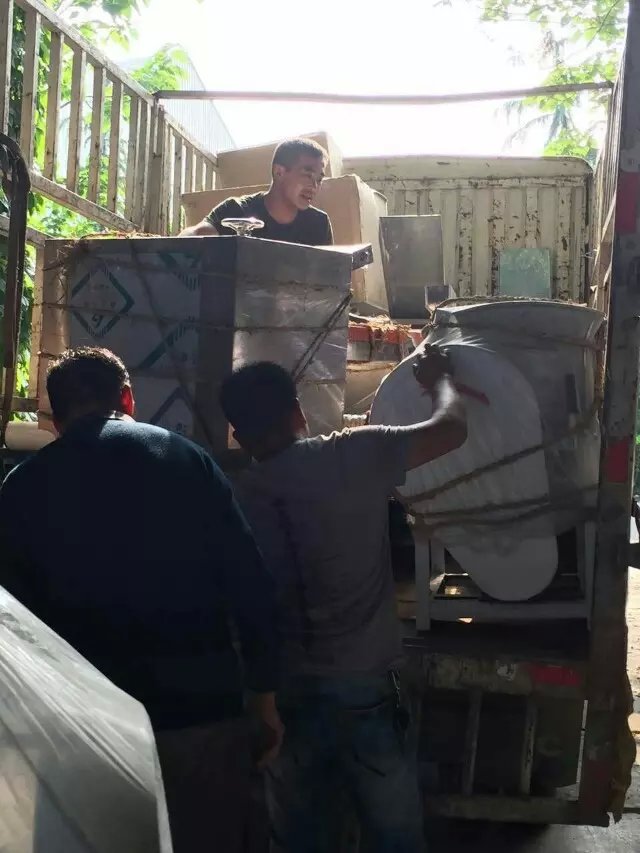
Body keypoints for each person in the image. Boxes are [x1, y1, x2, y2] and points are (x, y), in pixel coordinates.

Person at [0, 346, 282, 853]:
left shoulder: (22, 488)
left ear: (56, 420)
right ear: (127, 399)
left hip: (79, 733)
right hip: (196, 717)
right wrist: (264, 699)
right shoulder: (187, 461)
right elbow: (251, 585)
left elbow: (11, 627)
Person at [219, 347, 467, 853]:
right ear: (298, 412)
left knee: (300, 838)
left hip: (284, 696)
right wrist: (440, 379)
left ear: (239, 437)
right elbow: (452, 429)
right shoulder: (355, 454)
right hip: (364, 689)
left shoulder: (234, 494)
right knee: (395, 838)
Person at [180, 137, 333, 246]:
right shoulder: (236, 210)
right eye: (307, 175)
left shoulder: (318, 224)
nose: (314, 186)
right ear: (279, 172)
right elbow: (196, 234)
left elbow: (330, 275)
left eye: (319, 179)